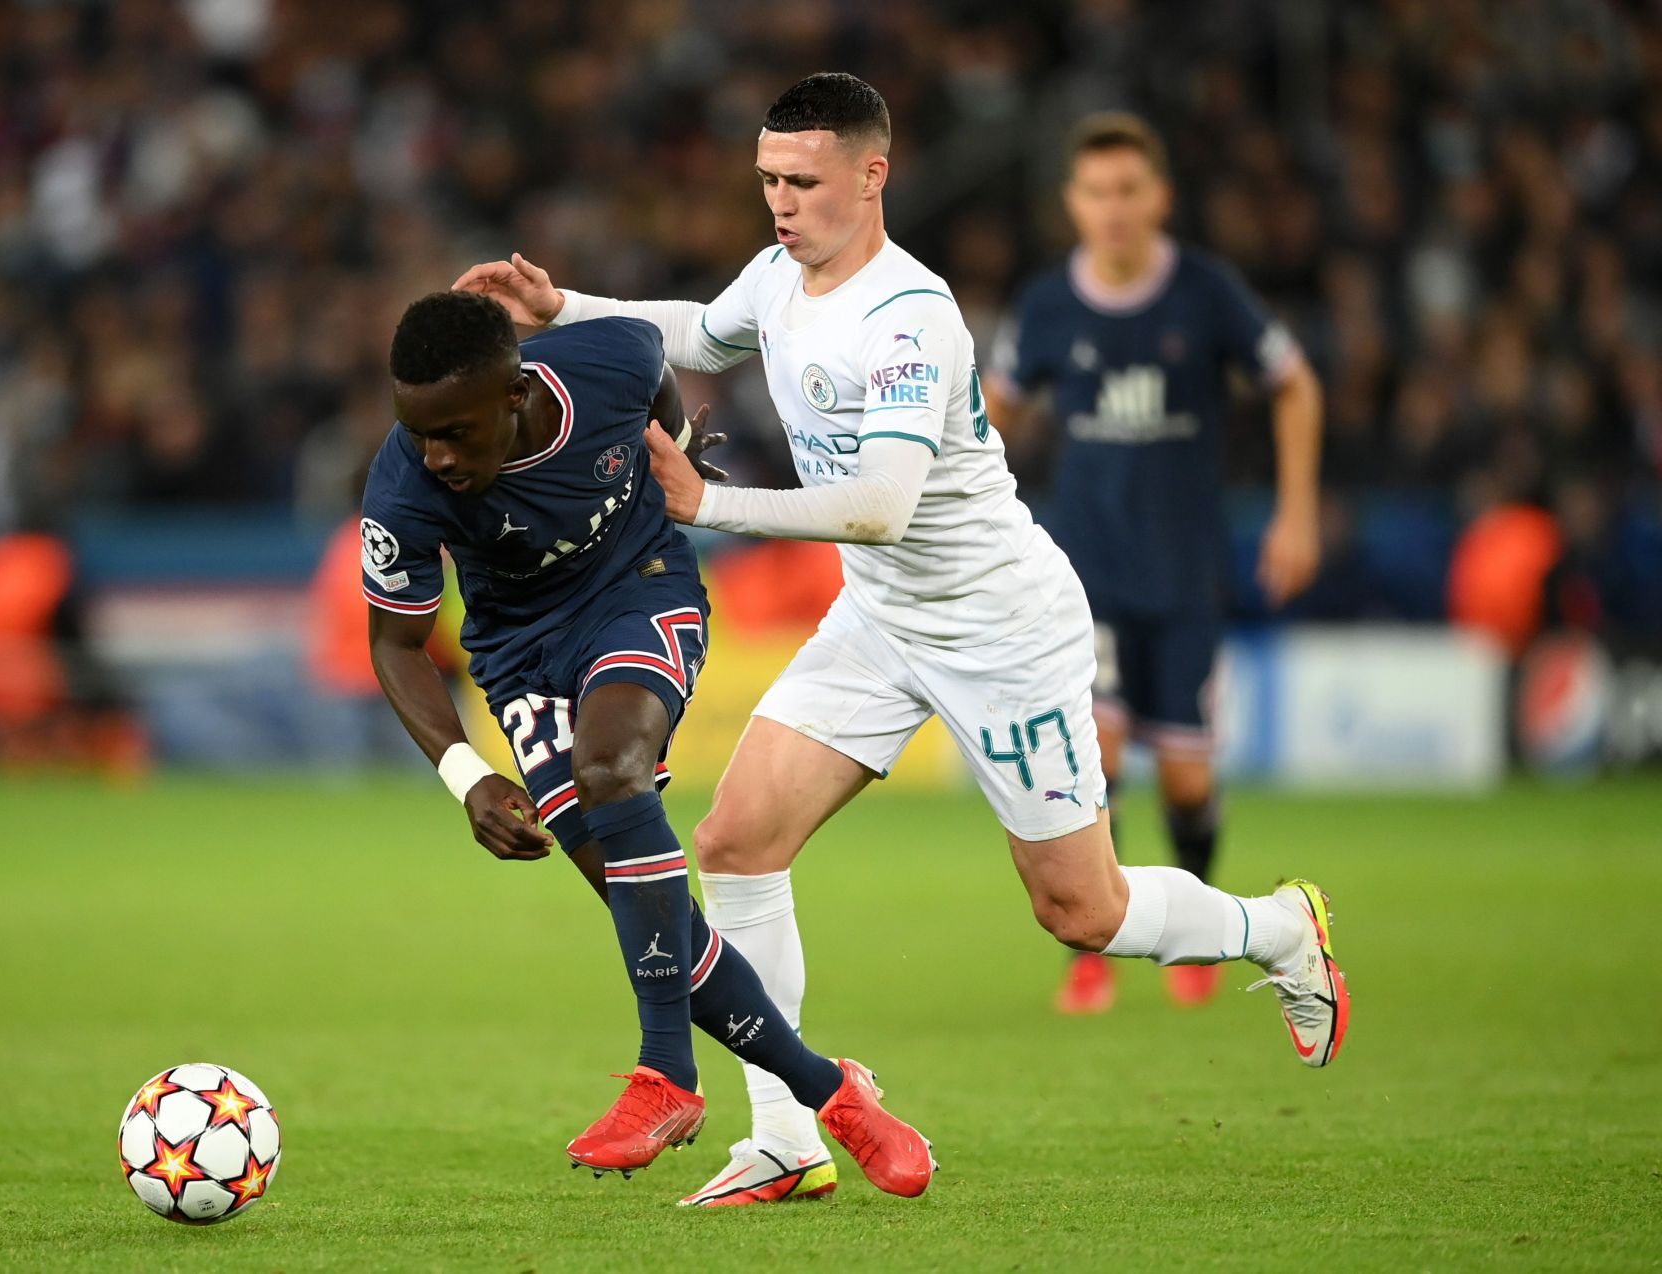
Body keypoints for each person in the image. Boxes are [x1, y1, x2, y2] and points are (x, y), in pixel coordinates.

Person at [457, 72, 1349, 1209]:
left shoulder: (910, 318)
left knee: (1082, 909)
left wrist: (709, 504)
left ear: (874, 175)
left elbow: (882, 502)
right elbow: (702, 331)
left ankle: (1278, 928)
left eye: (804, 182)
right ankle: (784, 1134)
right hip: (881, 616)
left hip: (998, 627)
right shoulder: (782, 273)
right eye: (768, 179)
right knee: (733, 842)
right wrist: (563, 306)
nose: (780, 202)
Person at [362, 290, 934, 1198]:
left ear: (515, 393)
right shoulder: (405, 484)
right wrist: (467, 775)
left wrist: (668, 455)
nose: (436, 455)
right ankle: (833, 1091)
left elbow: (656, 387)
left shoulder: (611, 359)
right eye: (418, 432)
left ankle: (666, 1071)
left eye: (457, 434)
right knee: (652, 915)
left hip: (641, 588)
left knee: (610, 770)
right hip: (519, 658)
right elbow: (394, 644)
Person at [985, 112, 1326, 1014]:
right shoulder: (1050, 305)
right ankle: (1091, 951)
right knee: (1094, 751)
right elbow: (996, 414)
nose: (1114, 208)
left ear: (1159, 197)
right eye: (1097, 191)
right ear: (1073, 203)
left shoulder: (1206, 294)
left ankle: (1203, 926)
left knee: (1186, 776)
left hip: (1183, 575)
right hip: (1082, 576)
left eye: (1130, 189)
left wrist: (1295, 513)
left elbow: (1293, 382)